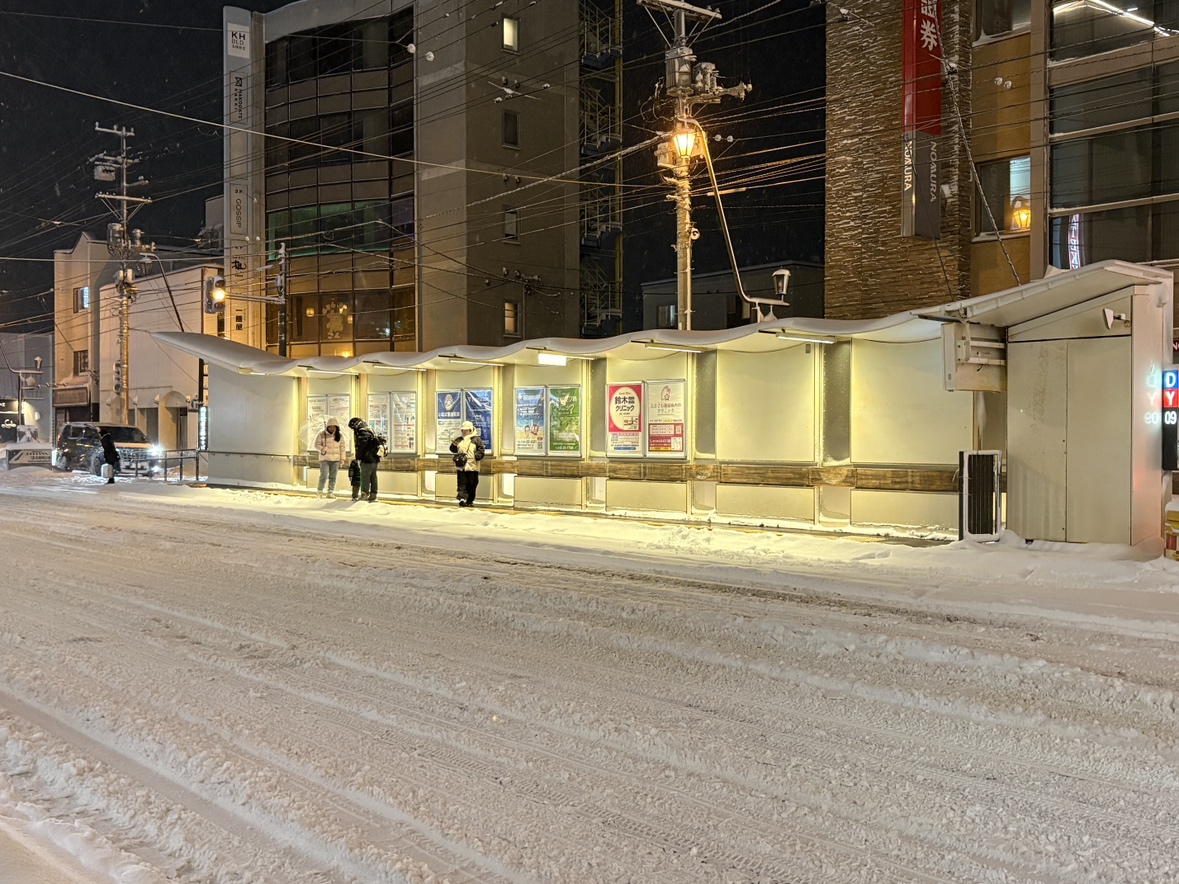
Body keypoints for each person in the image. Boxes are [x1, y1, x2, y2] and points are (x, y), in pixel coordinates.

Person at [347, 417, 387, 502]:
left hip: (367, 458)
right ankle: (373, 494)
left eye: (352, 427)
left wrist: (359, 458)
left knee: (365, 477)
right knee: (373, 477)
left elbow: (361, 446)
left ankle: (364, 494)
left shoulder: (362, 432)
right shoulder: (370, 429)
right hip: (375, 458)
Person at [449, 420, 485, 507]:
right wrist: (454, 445)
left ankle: (470, 500)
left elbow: (481, 450)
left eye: (466, 430)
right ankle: (462, 499)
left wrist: (476, 456)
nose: (464, 432)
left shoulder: (476, 440)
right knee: (461, 484)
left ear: (470, 430)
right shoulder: (459, 439)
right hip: (461, 466)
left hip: (472, 466)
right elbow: (452, 449)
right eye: (463, 430)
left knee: (472, 484)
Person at [313, 416, 348, 498]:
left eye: (334, 427)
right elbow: (316, 445)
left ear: (336, 427)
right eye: (330, 426)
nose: (332, 428)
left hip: (336, 459)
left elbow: (342, 448)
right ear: (327, 426)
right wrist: (322, 448)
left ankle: (330, 492)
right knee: (324, 475)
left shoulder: (339, 436)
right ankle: (320, 491)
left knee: (333, 476)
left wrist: (342, 458)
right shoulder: (321, 434)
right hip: (324, 459)